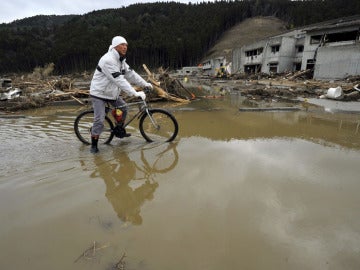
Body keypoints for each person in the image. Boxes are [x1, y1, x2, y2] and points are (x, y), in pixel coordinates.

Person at [89, 36, 153, 153]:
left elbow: (131, 74)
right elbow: (119, 80)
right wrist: (134, 93)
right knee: (99, 120)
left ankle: (119, 129)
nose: (125, 47)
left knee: (124, 108)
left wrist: (145, 84)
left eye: (126, 45)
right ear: (115, 46)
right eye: (122, 45)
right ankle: (94, 145)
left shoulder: (121, 60)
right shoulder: (108, 60)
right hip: (99, 93)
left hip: (111, 93)